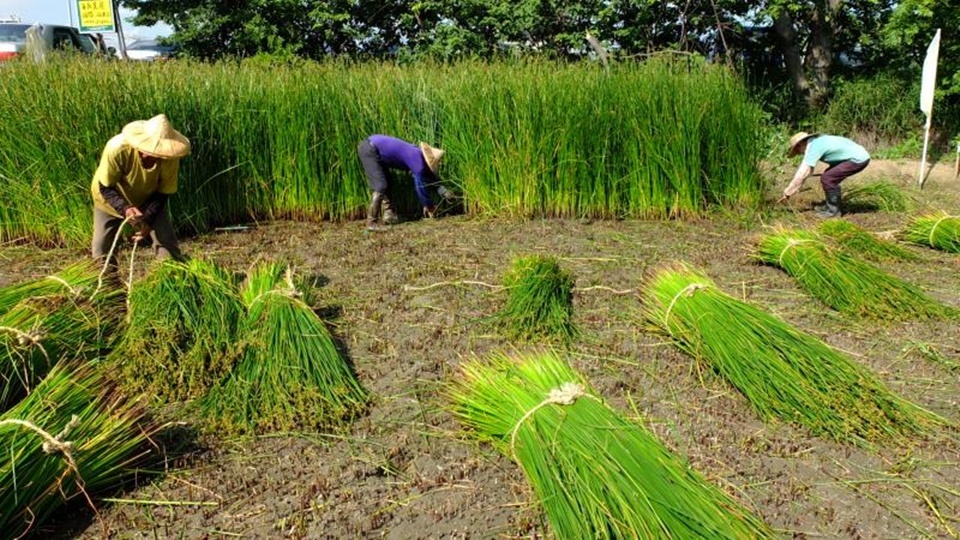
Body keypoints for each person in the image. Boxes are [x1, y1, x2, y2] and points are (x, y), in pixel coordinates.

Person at [90, 114, 191, 262]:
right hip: (110, 199)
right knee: (101, 248)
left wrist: (148, 218)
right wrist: (125, 208)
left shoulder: (169, 156)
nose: (153, 156)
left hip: (148, 198)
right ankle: (107, 283)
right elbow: (105, 187)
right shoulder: (117, 149)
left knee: (167, 243)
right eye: (149, 151)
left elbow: (163, 192)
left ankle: (170, 277)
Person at [357, 134, 453, 229]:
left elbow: (427, 174)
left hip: (374, 147)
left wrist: (442, 189)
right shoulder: (418, 162)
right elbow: (420, 187)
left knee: (388, 182)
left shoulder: (417, 153)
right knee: (381, 186)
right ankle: (371, 223)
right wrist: (428, 205)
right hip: (370, 149)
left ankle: (389, 215)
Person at [781, 132, 870, 218]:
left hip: (858, 159)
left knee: (828, 178)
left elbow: (803, 172)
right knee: (828, 176)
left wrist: (788, 192)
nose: (801, 153)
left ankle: (834, 212)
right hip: (857, 155)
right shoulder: (818, 141)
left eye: (798, 151)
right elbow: (808, 171)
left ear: (800, 144)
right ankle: (830, 206)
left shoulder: (813, 146)